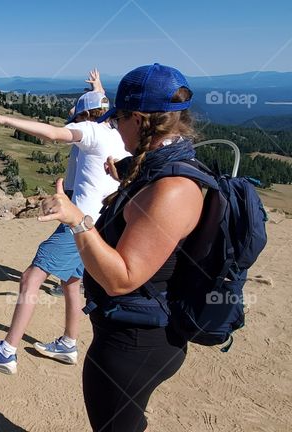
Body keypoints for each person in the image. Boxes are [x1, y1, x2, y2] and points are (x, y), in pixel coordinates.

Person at [36, 63, 203, 431]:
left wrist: (76, 219)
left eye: (119, 118)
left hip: (135, 344)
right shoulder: (156, 171)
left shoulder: (171, 189)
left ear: (141, 120)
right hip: (132, 334)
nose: (113, 126)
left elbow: (120, 278)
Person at [0, 69, 130, 374]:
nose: (72, 120)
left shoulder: (92, 133)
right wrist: (98, 88)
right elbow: (100, 109)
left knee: (31, 276)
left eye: (76, 116)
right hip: (99, 226)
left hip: (76, 222)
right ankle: (68, 343)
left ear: (84, 117)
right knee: (71, 281)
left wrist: (2, 119)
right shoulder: (121, 137)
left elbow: (52, 132)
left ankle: (6, 351)